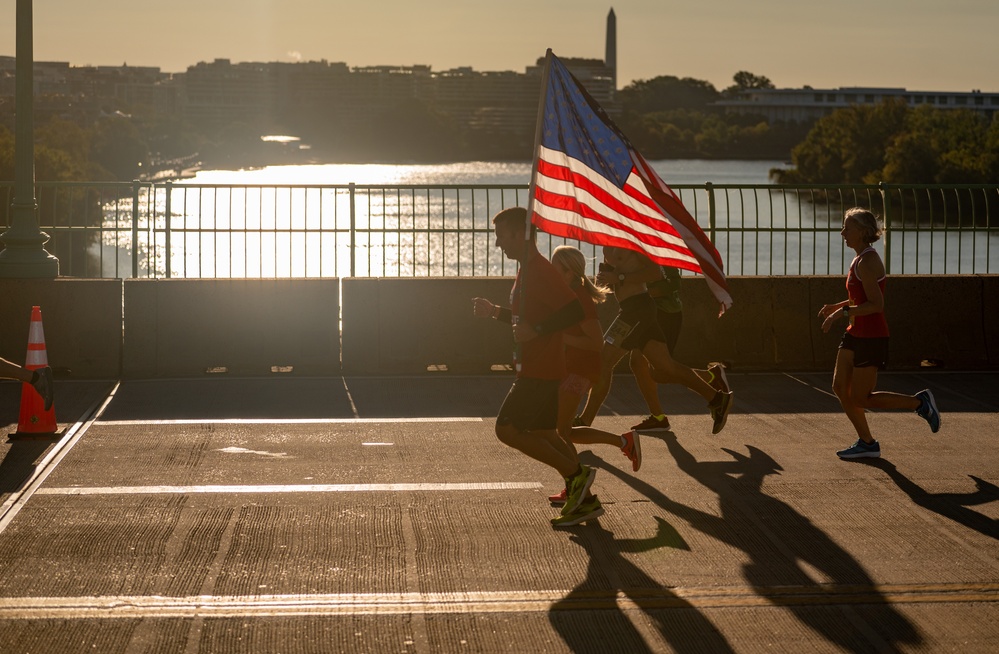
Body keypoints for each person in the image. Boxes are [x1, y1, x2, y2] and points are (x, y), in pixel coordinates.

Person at [471, 208, 603, 527]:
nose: (499, 243)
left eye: (502, 235)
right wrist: (495, 313)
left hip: (540, 368)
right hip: (538, 365)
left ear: (520, 234)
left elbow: (572, 310)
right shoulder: (526, 271)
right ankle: (584, 500)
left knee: (507, 429)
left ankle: (577, 475)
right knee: (545, 433)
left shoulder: (541, 271)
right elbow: (527, 321)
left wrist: (539, 332)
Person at [819, 207, 941, 459]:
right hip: (855, 333)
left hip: (871, 337)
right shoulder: (859, 258)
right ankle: (867, 443)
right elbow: (860, 296)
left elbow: (876, 304)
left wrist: (839, 314)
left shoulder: (869, 261)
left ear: (863, 232)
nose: (842, 232)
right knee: (840, 387)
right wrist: (839, 306)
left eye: (847, 228)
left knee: (862, 398)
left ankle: (920, 403)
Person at [576, 246, 733, 434]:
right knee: (665, 367)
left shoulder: (633, 244)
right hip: (634, 309)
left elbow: (655, 272)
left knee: (604, 362)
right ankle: (717, 399)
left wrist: (619, 278)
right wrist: (607, 279)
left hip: (636, 311)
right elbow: (618, 277)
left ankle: (584, 422)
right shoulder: (609, 244)